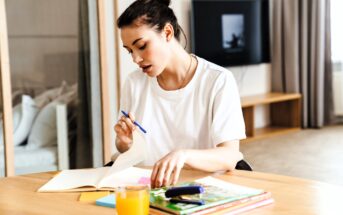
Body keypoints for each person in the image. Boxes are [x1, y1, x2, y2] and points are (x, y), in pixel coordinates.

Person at [114, 0, 246, 188]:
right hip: (147, 188)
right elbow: (126, 152)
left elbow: (230, 156)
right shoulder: (134, 83)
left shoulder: (218, 81)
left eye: (141, 46)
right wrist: (124, 143)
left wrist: (183, 155)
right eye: (130, 51)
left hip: (201, 190)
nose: (136, 58)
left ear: (167, 33)